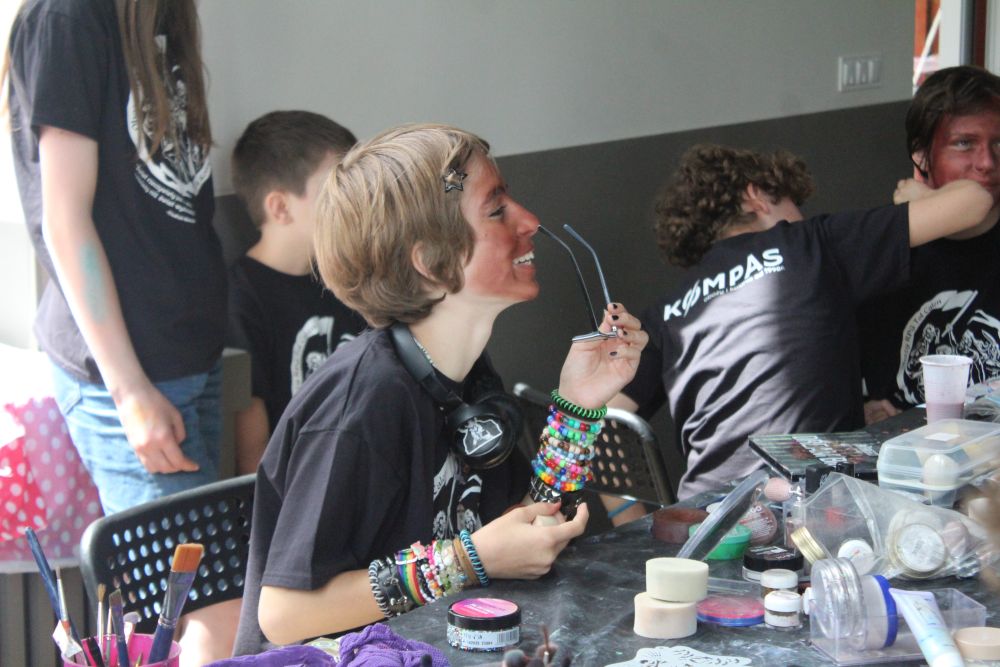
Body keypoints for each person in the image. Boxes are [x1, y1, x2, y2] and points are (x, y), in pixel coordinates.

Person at [233, 124, 647, 654]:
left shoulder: (467, 373)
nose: (529, 221)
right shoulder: (362, 402)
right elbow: (285, 614)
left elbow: (518, 531)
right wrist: (469, 561)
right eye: (496, 211)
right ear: (429, 262)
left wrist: (578, 409)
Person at [5, 1, 233, 663]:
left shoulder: (160, 15)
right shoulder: (68, 17)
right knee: (208, 616)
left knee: (200, 612)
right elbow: (64, 220)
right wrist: (129, 390)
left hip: (192, 361)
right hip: (132, 375)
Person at [611, 144, 993, 499]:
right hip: (804, 505)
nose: (801, 216)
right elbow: (974, 202)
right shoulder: (811, 242)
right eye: (795, 203)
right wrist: (921, 196)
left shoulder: (668, 309)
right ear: (756, 196)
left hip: (706, 517)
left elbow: (604, 422)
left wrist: (631, 525)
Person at [228, 111, 367, 474]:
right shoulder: (241, 299)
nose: (354, 200)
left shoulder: (348, 274)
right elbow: (253, 458)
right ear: (280, 207)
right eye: (335, 188)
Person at [859, 66, 1000, 423]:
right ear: (921, 155)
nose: (987, 162)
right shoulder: (880, 248)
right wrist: (863, 409)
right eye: (964, 144)